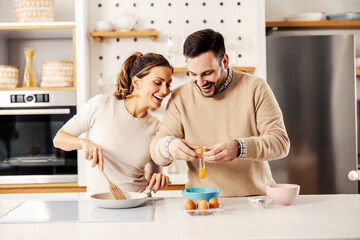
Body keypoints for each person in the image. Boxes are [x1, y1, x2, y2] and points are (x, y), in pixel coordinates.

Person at [150, 29, 290, 197]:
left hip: (254, 200)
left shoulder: (256, 88)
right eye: (193, 74)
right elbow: (157, 149)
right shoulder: (180, 97)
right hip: (202, 202)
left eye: (207, 73)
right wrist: (169, 146)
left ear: (225, 61)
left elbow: (280, 143)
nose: (200, 83)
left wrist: (239, 148)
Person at [53, 52, 172, 195]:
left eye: (168, 84)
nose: (165, 91)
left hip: (138, 204)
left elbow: (152, 176)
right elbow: (58, 139)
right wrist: (83, 142)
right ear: (136, 82)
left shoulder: (156, 127)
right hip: (99, 206)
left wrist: (158, 178)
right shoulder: (101, 105)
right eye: (158, 83)